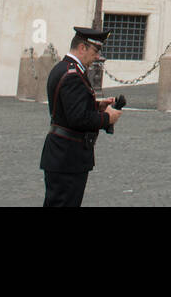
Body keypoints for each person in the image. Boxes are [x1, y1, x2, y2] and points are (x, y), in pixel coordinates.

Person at [40, 25, 124, 207]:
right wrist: (107, 119)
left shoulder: (64, 68)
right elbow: (78, 118)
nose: (97, 57)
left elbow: (67, 107)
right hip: (68, 156)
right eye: (95, 51)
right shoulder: (73, 75)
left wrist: (97, 106)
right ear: (82, 48)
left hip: (62, 154)